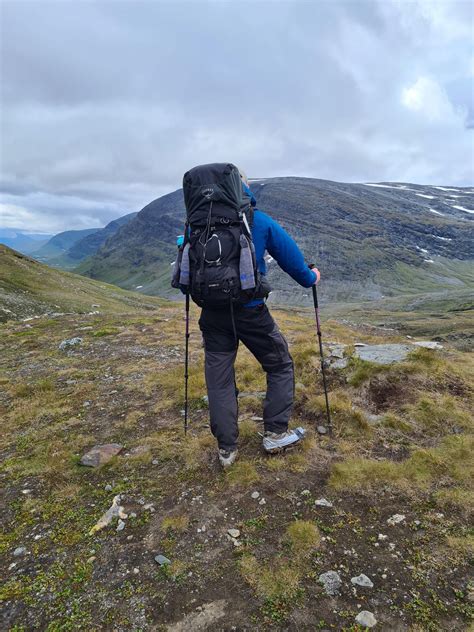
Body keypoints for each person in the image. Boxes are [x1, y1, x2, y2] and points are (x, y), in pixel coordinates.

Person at [198, 168, 320, 467]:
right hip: (251, 312)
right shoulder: (258, 221)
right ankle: (275, 433)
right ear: (243, 188)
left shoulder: (197, 224)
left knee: (220, 380)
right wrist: (312, 276)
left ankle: (227, 449)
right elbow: (297, 267)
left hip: (212, 314)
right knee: (279, 365)